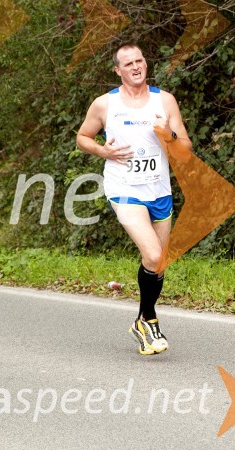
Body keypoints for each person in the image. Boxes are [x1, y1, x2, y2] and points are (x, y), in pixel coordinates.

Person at [76, 43, 191, 355]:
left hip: (159, 190)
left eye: (140, 60)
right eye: (128, 64)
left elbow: (186, 149)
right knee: (153, 254)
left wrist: (169, 136)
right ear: (118, 70)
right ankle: (149, 320)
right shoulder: (104, 105)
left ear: (145, 63)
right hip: (124, 189)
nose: (136, 66)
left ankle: (142, 319)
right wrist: (104, 150)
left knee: (158, 263)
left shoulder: (164, 100)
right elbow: (83, 137)